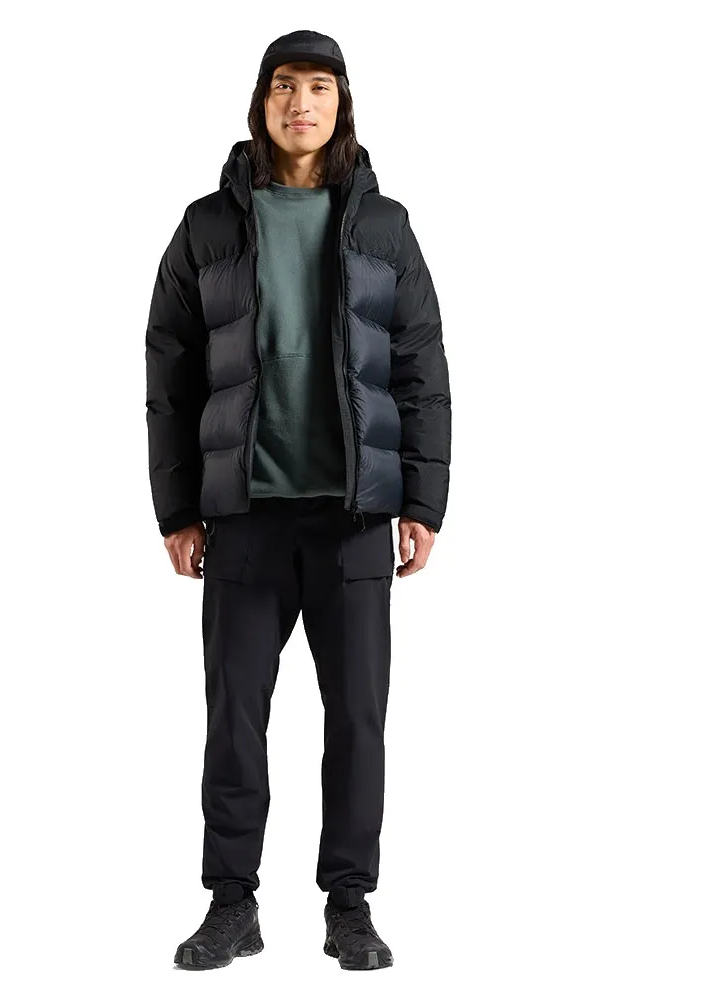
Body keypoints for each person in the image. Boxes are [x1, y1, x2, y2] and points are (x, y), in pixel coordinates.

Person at [145, 29, 451, 972]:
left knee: (357, 720)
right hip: (244, 515)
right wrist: (177, 509)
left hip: (354, 517)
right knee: (235, 719)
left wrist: (424, 501)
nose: (301, 103)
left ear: (341, 102)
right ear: (263, 101)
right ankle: (231, 902)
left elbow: (421, 368)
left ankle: (349, 905)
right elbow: (169, 373)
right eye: (285, 85)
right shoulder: (207, 226)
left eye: (320, 86)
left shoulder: (385, 226)